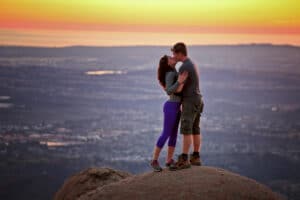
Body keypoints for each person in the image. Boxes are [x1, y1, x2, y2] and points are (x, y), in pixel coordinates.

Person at [150, 55, 188, 172]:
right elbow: (169, 91)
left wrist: (181, 82)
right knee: (166, 134)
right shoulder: (170, 73)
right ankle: (154, 160)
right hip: (171, 106)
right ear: (167, 63)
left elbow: (178, 90)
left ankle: (169, 160)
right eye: (170, 58)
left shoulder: (173, 71)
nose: (173, 57)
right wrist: (180, 82)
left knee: (173, 135)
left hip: (176, 107)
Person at [171, 42, 204, 170]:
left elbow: (179, 89)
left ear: (179, 53)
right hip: (198, 99)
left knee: (186, 129)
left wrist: (172, 88)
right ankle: (195, 156)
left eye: (174, 53)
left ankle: (184, 159)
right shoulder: (192, 64)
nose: (173, 55)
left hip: (190, 101)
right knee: (195, 128)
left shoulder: (184, 67)